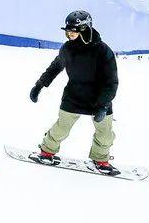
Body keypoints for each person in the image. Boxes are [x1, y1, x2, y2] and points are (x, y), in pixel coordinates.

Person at [29, 10, 120, 176]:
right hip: (74, 95)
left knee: (105, 133)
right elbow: (55, 67)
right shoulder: (68, 48)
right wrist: (39, 85)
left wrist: (103, 105)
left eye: (72, 31)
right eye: (67, 31)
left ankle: (100, 159)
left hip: (99, 97)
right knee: (61, 127)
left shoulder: (103, 51)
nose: (68, 34)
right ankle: (47, 150)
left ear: (84, 29)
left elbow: (111, 82)